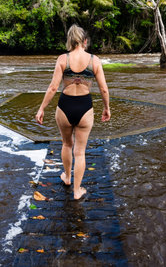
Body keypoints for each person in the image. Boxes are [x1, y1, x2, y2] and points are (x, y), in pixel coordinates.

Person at [35, 24, 110, 200]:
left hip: (65, 106)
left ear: (70, 40)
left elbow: (53, 87)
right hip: (85, 108)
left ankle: (67, 177)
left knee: (67, 144)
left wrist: (42, 108)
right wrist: (106, 108)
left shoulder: (63, 59)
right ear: (85, 41)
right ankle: (77, 191)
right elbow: (104, 89)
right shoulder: (94, 60)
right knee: (80, 151)